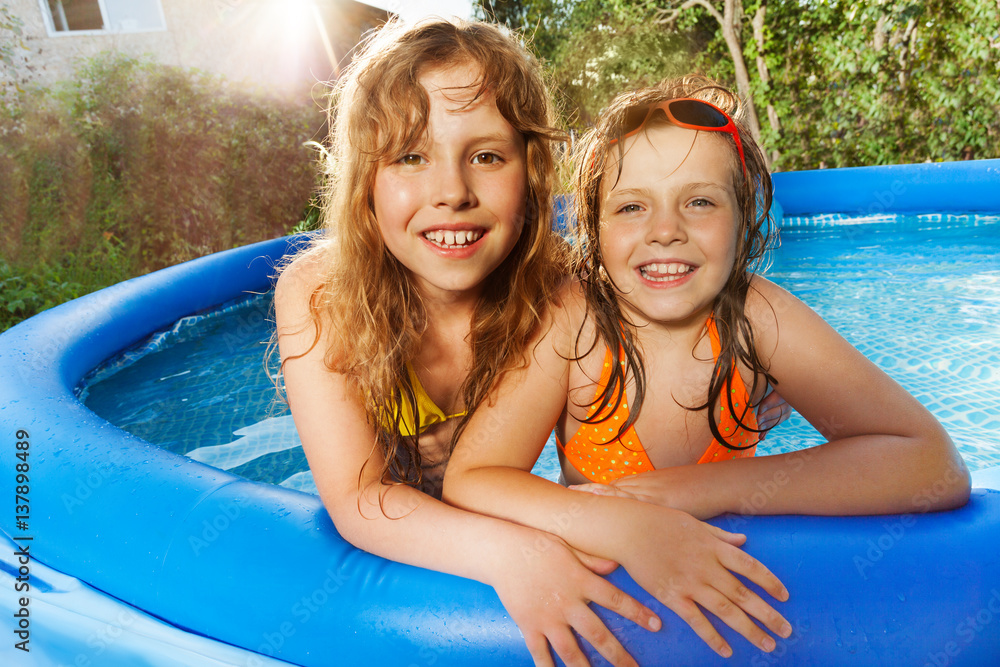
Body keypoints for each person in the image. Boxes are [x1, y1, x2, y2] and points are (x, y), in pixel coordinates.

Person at [276, 19, 792, 667]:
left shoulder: (557, 293)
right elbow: (359, 497)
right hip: (409, 548)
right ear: (365, 184)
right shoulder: (322, 295)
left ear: (533, 170)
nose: (452, 191)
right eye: (410, 156)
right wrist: (513, 553)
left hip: (518, 506)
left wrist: (738, 388)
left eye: (487, 156)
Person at [443, 76, 971, 657]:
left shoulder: (758, 316)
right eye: (632, 206)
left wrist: (693, 489)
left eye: (698, 201)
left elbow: (933, 466)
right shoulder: (572, 324)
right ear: (593, 227)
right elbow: (472, 480)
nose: (665, 230)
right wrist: (624, 525)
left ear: (745, 219)